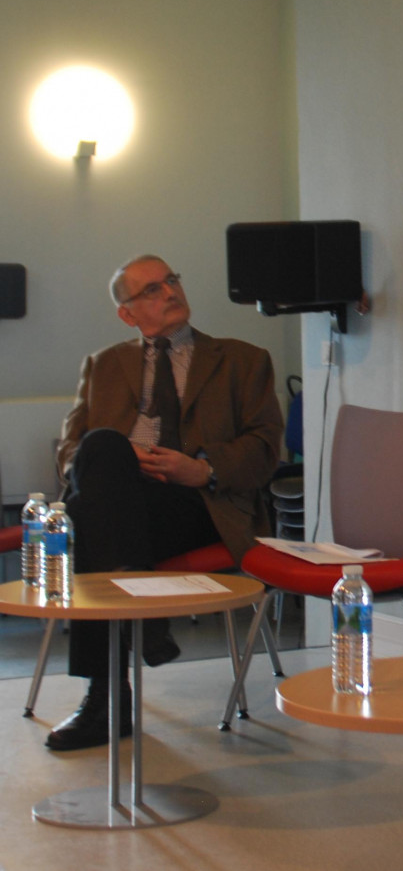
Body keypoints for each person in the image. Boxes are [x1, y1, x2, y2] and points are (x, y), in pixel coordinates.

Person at [47, 255, 282, 751]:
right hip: (119, 505)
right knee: (102, 449)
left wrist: (204, 468)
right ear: (127, 314)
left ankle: (105, 701)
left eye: (171, 280)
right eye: (151, 290)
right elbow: (68, 451)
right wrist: (110, 463)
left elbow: (265, 450)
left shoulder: (243, 359)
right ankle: (146, 627)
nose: (169, 292)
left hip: (199, 505)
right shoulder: (103, 365)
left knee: (93, 522)